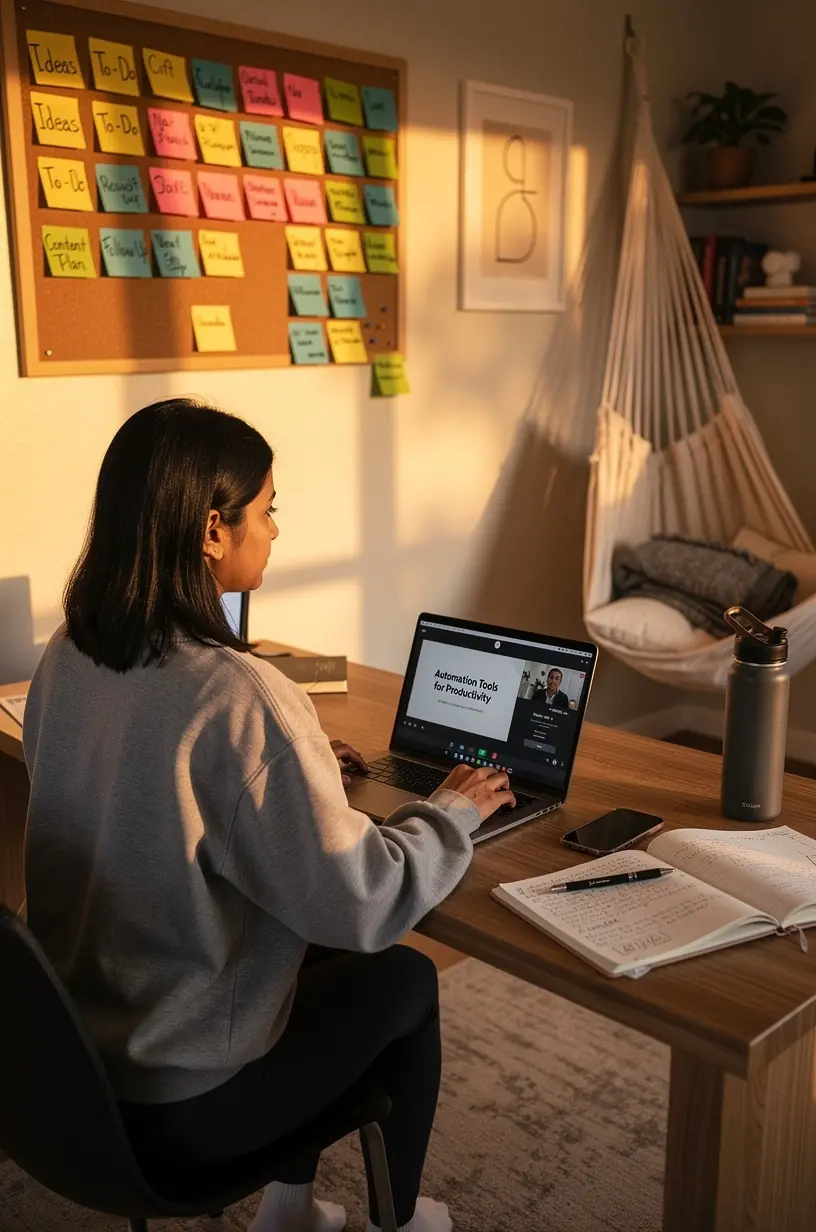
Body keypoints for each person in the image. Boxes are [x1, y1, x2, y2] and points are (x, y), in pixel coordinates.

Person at [22, 398, 515, 1232]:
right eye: (268, 509)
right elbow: (363, 903)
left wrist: (300, 766)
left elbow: (151, 787)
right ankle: (400, 1223)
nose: (276, 530)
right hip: (182, 1104)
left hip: (75, 1070)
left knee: (297, 939)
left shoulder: (69, 651)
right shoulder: (239, 694)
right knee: (405, 976)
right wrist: (450, 813)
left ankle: (292, 1213)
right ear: (214, 529)